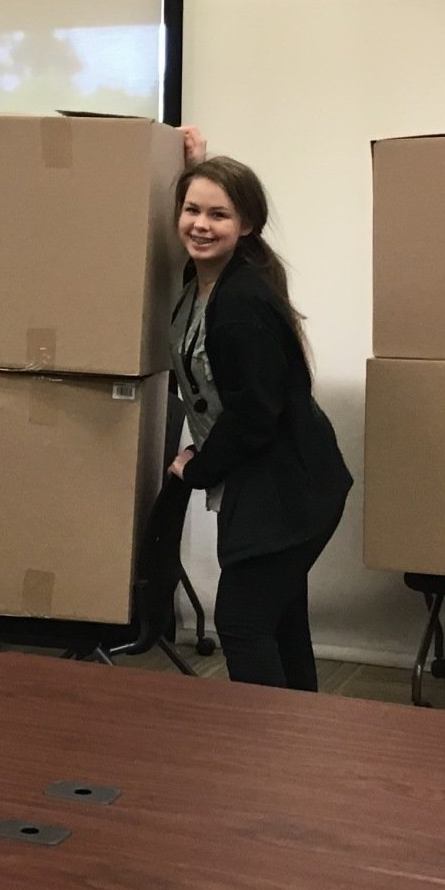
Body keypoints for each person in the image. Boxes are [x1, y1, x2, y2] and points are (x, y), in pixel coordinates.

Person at [166, 129, 352, 691]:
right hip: (275, 480)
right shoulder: (203, 282)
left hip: (288, 489)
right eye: (191, 209)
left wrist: (198, 468)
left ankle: (261, 753)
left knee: (243, 623)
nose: (200, 224)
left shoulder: (242, 302)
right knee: (281, 619)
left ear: (245, 226)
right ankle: (293, 751)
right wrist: (195, 162)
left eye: (218, 215)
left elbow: (255, 414)